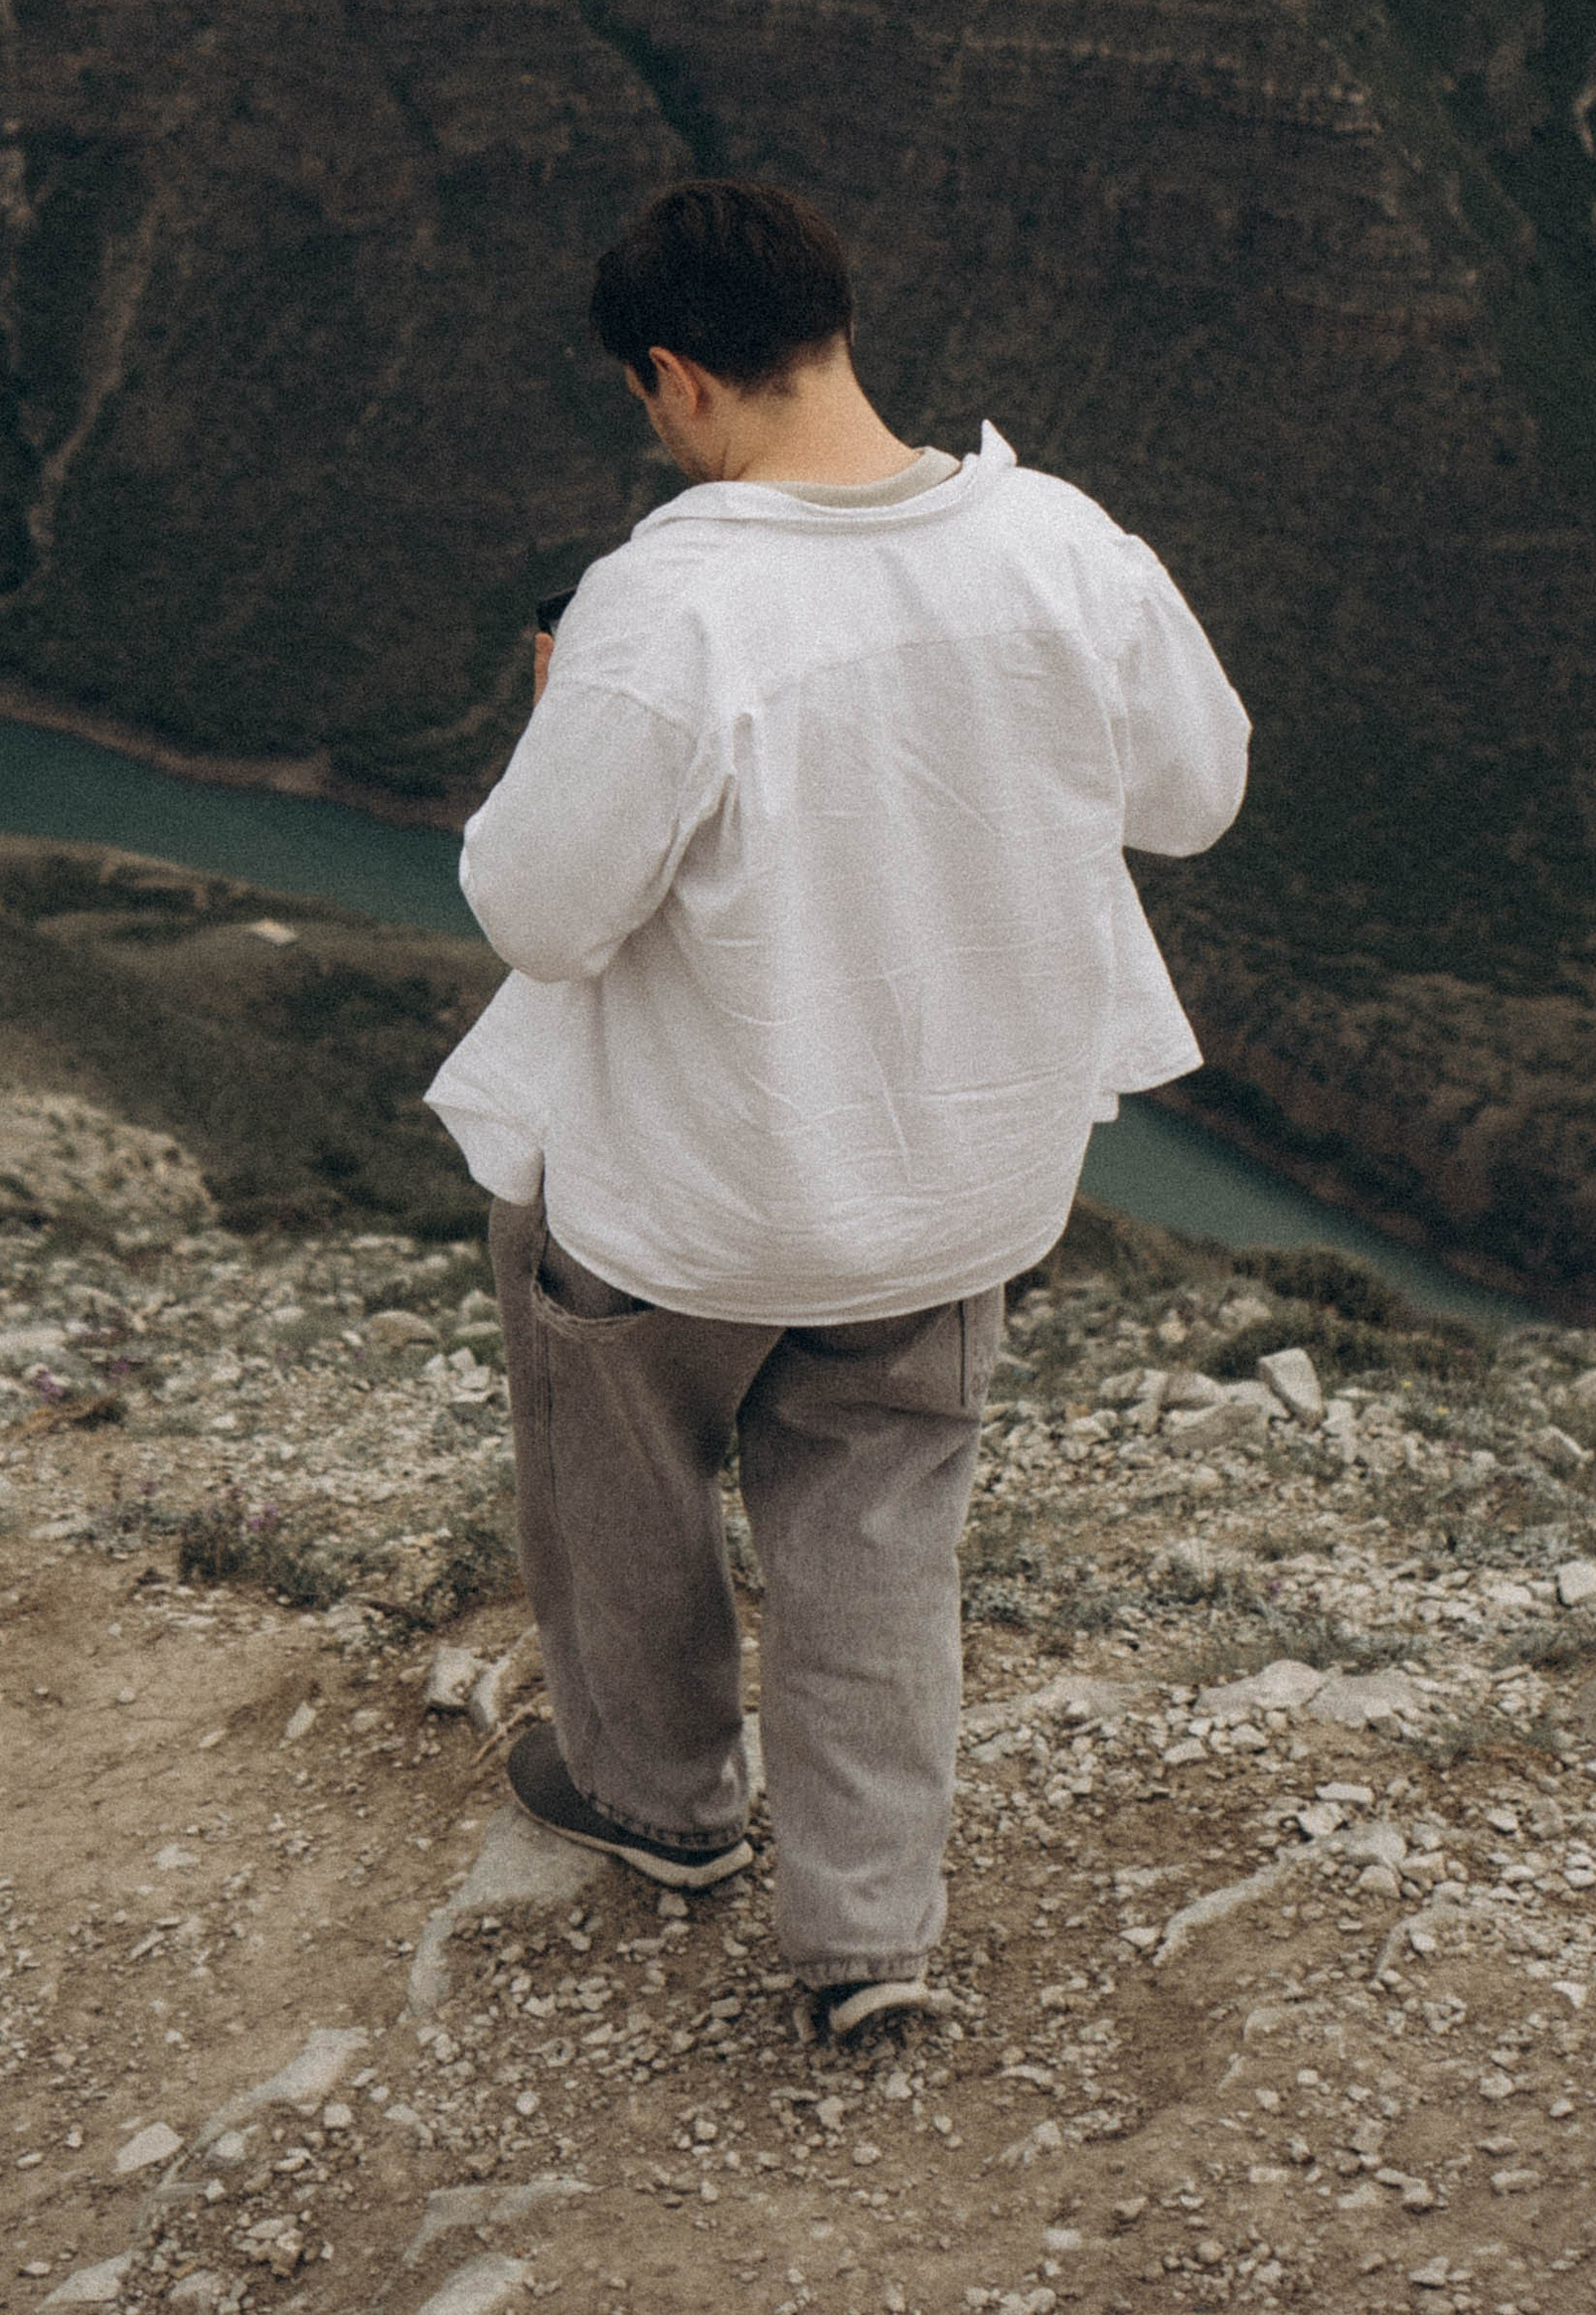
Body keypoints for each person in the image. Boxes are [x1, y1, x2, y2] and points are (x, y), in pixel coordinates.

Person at [426, 180, 1248, 2044]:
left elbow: (543, 911)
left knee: (619, 1463)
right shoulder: (1061, 542)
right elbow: (1193, 796)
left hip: (692, 1200)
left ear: (674, 379)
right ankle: (869, 1938)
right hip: (959, 1182)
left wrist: (564, 718)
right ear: (836, 324)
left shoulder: (672, 599)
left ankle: (661, 1802)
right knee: (880, 1528)